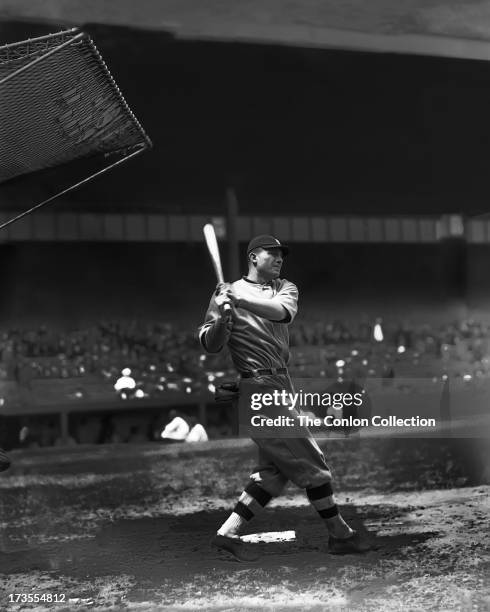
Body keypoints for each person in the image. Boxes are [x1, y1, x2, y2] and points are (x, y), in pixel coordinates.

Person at [199, 234, 370, 562]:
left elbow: (283, 313)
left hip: (282, 382)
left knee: (272, 474)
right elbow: (211, 343)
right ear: (253, 257)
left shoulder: (284, 288)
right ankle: (339, 534)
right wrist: (222, 318)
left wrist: (240, 302)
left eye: (282, 254)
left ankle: (227, 535)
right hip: (258, 386)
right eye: (271, 253)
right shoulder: (225, 293)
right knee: (314, 464)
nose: (279, 259)